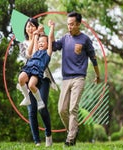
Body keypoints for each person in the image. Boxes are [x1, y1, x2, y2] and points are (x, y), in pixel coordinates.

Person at [52, 12, 101, 146]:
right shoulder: (64, 39)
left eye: (72, 24)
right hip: (65, 78)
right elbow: (53, 46)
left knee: (73, 108)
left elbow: (93, 58)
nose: (70, 27)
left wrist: (98, 75)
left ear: (79, 24)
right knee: (61, 109)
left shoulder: (85, 39)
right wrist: (51, 30)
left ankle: (70, 139)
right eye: (68, 24)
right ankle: (73, 130)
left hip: (79, 77)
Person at [17, 18, 56, 147]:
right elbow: (27, 56)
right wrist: (35, 38)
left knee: (42, 107)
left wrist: (46, 31)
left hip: (42, 77)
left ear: (36, 27)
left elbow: (51, 41)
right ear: (25, 29)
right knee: (32, 110)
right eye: (28, 26)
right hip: (29, 74)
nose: (30, 28)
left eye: (32, 25)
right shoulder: (24, 43)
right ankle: (37, 141)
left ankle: (48, 134)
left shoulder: (42, 41)